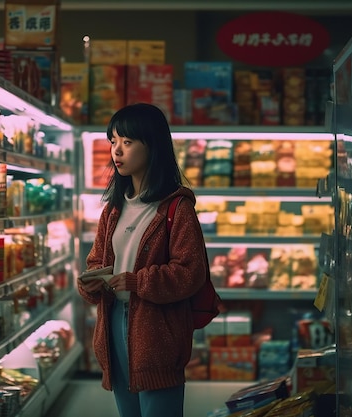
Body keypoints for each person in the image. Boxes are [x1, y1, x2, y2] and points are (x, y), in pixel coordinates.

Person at [77, 103, 209, 417]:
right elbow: (97, 261)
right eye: (113, 142)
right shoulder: (113, 209)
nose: (116, 151)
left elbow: (191, 271)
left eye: (127, 142)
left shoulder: (177, 208)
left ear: (153, 145)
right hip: (113, 327)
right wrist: (92, 283)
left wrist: (137, 282)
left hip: (157, 333)